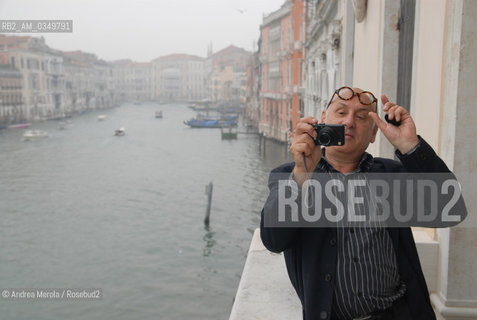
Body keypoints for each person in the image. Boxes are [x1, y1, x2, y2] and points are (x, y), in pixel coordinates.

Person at [260, 87, 457, 320]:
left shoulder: (391, 176)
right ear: (323, 120)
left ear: (374, 134)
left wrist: (410, 146)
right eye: (341, 112)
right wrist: (302, 173)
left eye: (362, 116)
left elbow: (449, 209)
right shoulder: (291, 175)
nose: (350, 121)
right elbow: (273, 240)